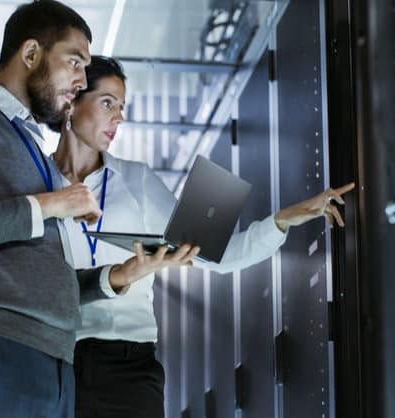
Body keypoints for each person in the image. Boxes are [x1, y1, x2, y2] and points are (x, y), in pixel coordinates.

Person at [0, 4, 198, 418]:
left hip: (57, 365)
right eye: (75, 61)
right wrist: (52, 203)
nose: (80, 80)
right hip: (0, 351)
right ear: (31, 54)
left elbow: (47, 276)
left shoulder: (34, 153)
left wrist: (120, 276)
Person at [47, 55, 355, 418]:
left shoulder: (137, 180)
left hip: (130, 366)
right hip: (57, 362)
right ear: (73, 101)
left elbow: (217, 256)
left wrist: (283, 220)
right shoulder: (37, 183)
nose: (119, 117)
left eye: (123, 107)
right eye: (108, 103)